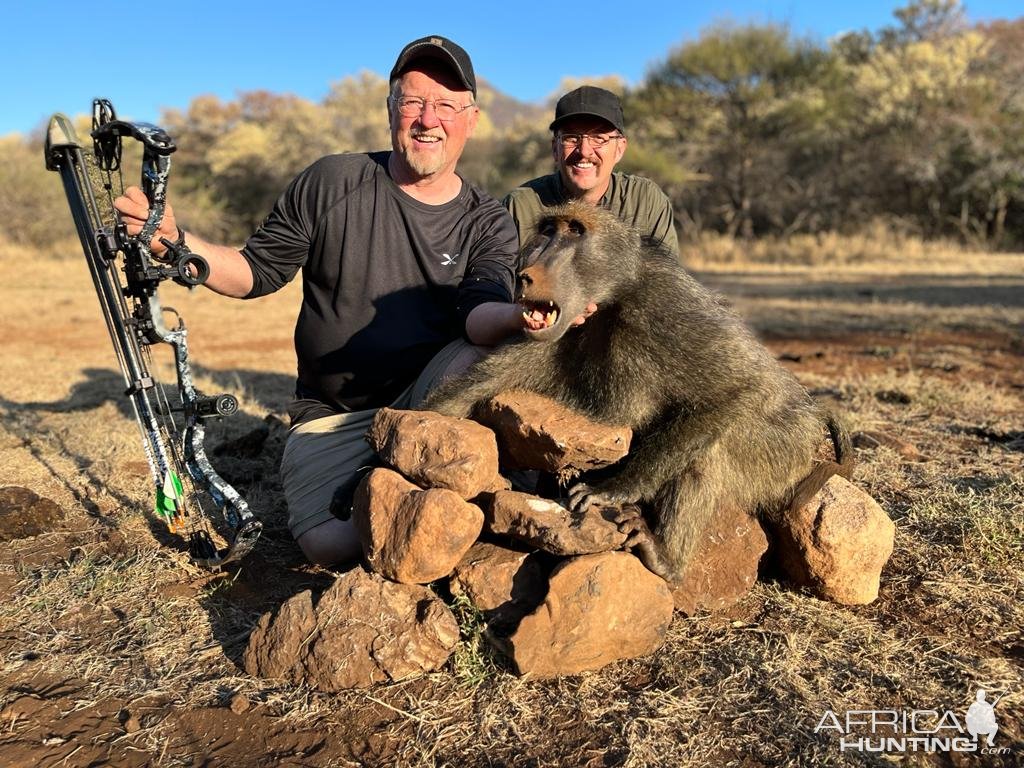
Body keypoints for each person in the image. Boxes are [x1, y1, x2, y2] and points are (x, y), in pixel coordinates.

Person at [114, 36, 530, 567]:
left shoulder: (487, 220)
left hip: (427, 404)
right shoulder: (332, 180)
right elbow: (254, 272)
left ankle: (431, 499)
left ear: (470, 119)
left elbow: (478, 314)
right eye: (413, 102)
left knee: (475, 358)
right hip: (332, 415)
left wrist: (523, 316)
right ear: (390, 111)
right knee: (327, 547)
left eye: (446, 105)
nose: (429, 119)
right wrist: (176, 242)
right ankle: (421, 504)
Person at [503, 85, 679, 257]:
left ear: (619, 149)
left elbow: (667, 282)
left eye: (599, 138)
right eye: (571, 138)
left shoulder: (646, 202)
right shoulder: (520, 207)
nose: (584, 151)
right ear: (555, 149)